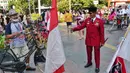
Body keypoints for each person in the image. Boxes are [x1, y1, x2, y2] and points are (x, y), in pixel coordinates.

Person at [71, 6, 105, 73]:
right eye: (89, 13)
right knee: (88, 53)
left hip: (96, 41)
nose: (90, 14)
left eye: (91, 13)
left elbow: (102, 32)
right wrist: (74, 29)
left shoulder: (100, 21)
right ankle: (89, 62)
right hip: (88, 40)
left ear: (95, 13)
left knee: (97, 54)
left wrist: (102, 41)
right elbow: (81, 26)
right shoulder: (87, 20)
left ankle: (97, 66)